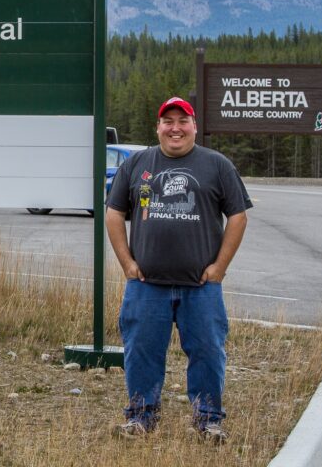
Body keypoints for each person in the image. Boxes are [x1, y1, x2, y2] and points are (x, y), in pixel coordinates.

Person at [105, 96, 252, 442]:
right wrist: (127, 263)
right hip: (146, 285)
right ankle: (140, 417)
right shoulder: (137, 164)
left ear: (194, 126)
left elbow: (238, 216)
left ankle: (208, 421)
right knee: (141, 350)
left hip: (200, 287)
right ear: (158, 127)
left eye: (182, 121)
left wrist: (219, 267)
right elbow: (113, 214)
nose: (175, 128)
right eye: (167, 121)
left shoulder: (217, 165)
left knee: (207, 351)